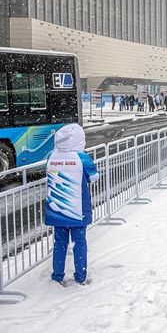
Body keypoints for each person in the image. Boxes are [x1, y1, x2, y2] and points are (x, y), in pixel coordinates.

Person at [45, 123, 100, 286]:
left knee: (60, 243)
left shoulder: (51, 156)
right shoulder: (82, 157)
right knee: (79, 243)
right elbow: (94, 176)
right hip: (77, 209)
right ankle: (80, 275)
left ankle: (57, 275)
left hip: (57, 209)